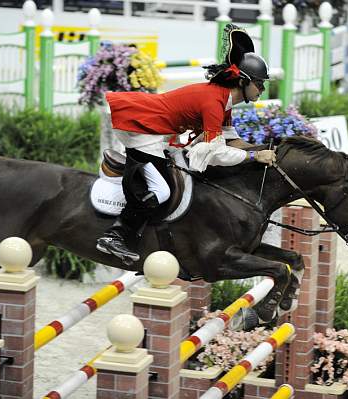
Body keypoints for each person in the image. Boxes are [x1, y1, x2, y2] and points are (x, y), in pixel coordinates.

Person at [96, 24, 276, 263]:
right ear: (243, 81)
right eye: (259, 83)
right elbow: (214, 153)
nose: (262, 89)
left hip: (154, 129)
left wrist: (262, 151)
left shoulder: (224, 102)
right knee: (161, 190)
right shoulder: (214, 102)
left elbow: (232, 141)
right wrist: (253, 157)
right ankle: (117, 234)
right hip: (141, 126)